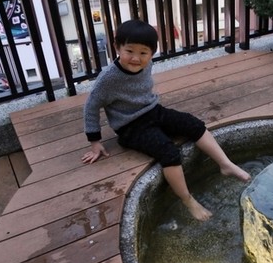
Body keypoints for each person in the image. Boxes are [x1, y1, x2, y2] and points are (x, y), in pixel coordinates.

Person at [82, 19, 250, 221]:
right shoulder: (108, 79)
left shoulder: (147, 63)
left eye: (143, 53)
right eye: (129, 51)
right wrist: (95, 142)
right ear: (117, 47)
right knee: (168, 151)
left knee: (192, 124)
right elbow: (91, 106)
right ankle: (188, 200)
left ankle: (225, 164)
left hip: (153, 110)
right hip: (130, 127)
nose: (136, 58)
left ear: (152, 53)